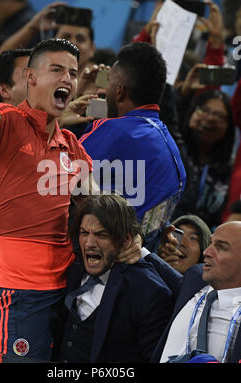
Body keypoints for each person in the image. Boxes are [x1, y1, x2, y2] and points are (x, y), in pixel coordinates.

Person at [0, 34, 95, 360]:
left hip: (66, 288)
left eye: (72, 72)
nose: (67, 79)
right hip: (19, 290)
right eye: (56, 69)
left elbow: (95, 211)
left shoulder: (73, 146)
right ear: (31, 77)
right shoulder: (6, 122)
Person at [79, 41, 186, 250]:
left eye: (108, 84)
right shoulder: (174, 152)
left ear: (119, 92)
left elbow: (56, 180)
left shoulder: (111, 131)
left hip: (91, 262)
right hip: (136, 266)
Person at [52, 194, 174, 363]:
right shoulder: (71, 268)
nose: (89, 243)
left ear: (126, 240)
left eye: (101, 235)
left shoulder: (149, 292)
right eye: (84, 233)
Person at [151, 221, 241, 363]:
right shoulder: (195, 277)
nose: (207, 251)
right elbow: (162, 269)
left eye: (221, 247)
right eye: (211, 243)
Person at [171, 88, 239, 230]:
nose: (210, 118)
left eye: (219, 116)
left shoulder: (230, 171)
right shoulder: (172, 150)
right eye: (204, 110)